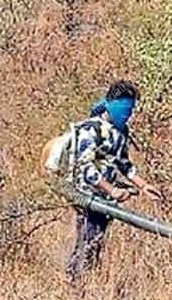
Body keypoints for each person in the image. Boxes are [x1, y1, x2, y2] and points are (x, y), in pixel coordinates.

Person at [66, 80, 161, 282]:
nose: (128, 114)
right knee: (88, 239)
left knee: (97, 240)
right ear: (113, 104)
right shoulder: (91, 130)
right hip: (87, 196)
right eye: (126, 109)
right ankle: (74, 283)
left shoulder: (121, 132)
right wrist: (112, 190)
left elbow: (124, 164)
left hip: (105, 199)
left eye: (131, 109)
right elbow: (86, 169)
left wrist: (144, 186)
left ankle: (85, 282)